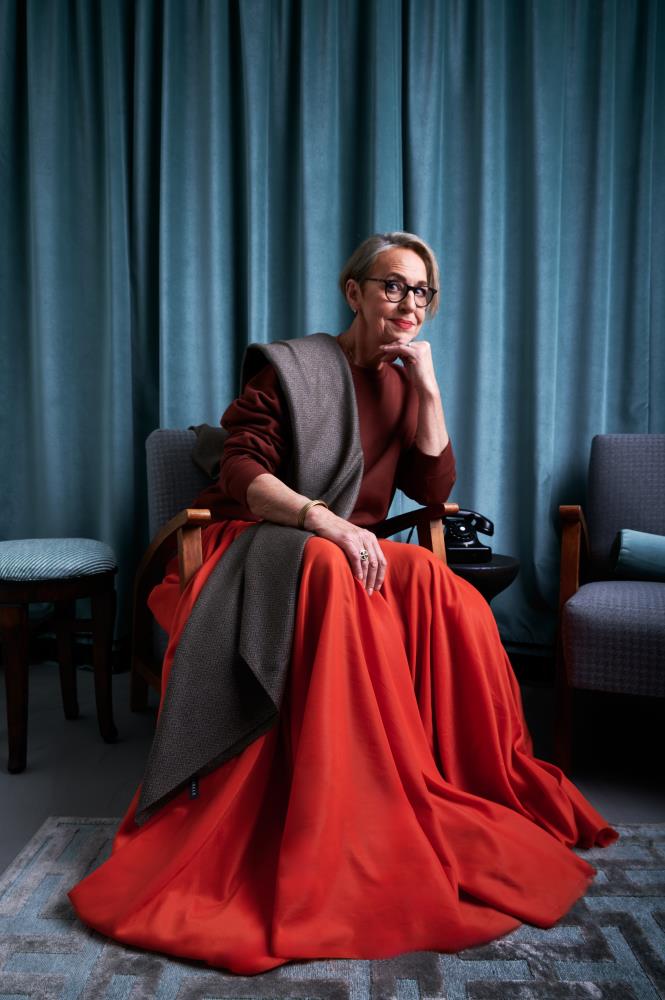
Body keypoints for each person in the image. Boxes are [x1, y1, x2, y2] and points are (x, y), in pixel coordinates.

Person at [69, 232, 617, 975]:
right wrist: (322, 520)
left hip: (337, 549)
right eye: (392, 286)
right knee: (332, 568)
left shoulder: (401, 380)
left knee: (439, 587)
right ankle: (338, 810)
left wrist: (426, 387)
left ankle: (455, 783)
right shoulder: (290, 368)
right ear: (352, 291)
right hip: (251, 542)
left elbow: (430, 494)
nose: (408, 303)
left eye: (421, 291)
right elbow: (238, 470)